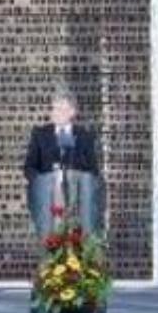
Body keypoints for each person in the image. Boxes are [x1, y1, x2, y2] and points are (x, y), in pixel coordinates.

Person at [23, 91, 99, 233]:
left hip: (77, 201)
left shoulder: (84, 136)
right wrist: (42, 181)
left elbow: (93, 171)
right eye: (54, 108)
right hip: (48, 200)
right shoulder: (40, 134)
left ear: (72, 112)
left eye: (61, 109)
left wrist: (75, 175)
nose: (55, 113)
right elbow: (29, 167)